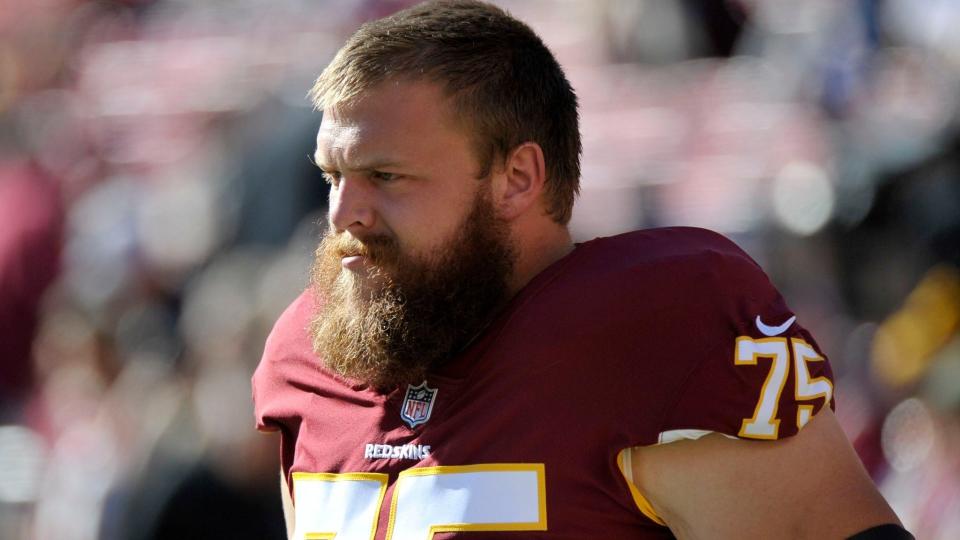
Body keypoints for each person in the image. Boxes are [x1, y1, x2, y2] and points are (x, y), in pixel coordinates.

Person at [252, 1, 910, 538]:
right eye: (333, 176)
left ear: (516, 179)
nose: (344, 214)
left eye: (385, 176)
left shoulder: (651, 328)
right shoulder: (307, 357)